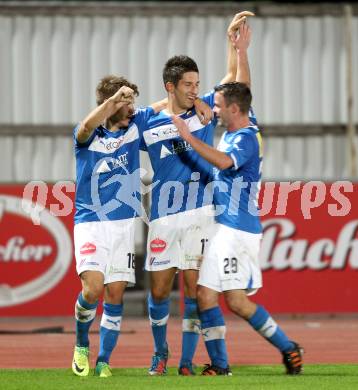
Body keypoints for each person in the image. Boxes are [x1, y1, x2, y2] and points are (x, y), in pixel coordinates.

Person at [171, 22, 304, 376]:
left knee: (220, 299)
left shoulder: (244, 139)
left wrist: (187, 138)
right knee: (227, 300)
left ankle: (233, 361)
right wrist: (239, 50)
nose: (212, 109)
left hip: (237, 228)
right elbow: (241, 85)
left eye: (217, 105)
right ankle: (283, 350)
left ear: (232, 109)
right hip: (228, 227)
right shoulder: (241, 119)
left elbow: (223, 162)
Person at [71, 75, 211, 378]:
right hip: (91, 222)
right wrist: (112, 102)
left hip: (123, 225)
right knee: (93, 289)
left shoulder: (136, 126)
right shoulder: (88, 136)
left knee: (115, 294)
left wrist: (197, 99)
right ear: (112, 105)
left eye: (133, 102)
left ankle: (103, 360)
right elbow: (85, 126)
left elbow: (168, 102)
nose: (133, 107)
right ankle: (82, 343)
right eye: (127, 102)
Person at [141, 11, 254, 376]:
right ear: (170, 86)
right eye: (188, 84)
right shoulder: (148, 119)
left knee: (194, 291)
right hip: (162, 214)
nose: (195, 90)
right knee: (159, 292)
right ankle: (161, 352)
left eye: (198, 83)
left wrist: (234, 46)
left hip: (202, 211)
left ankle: (186, 362)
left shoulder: (205, 110)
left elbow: (237, 84)